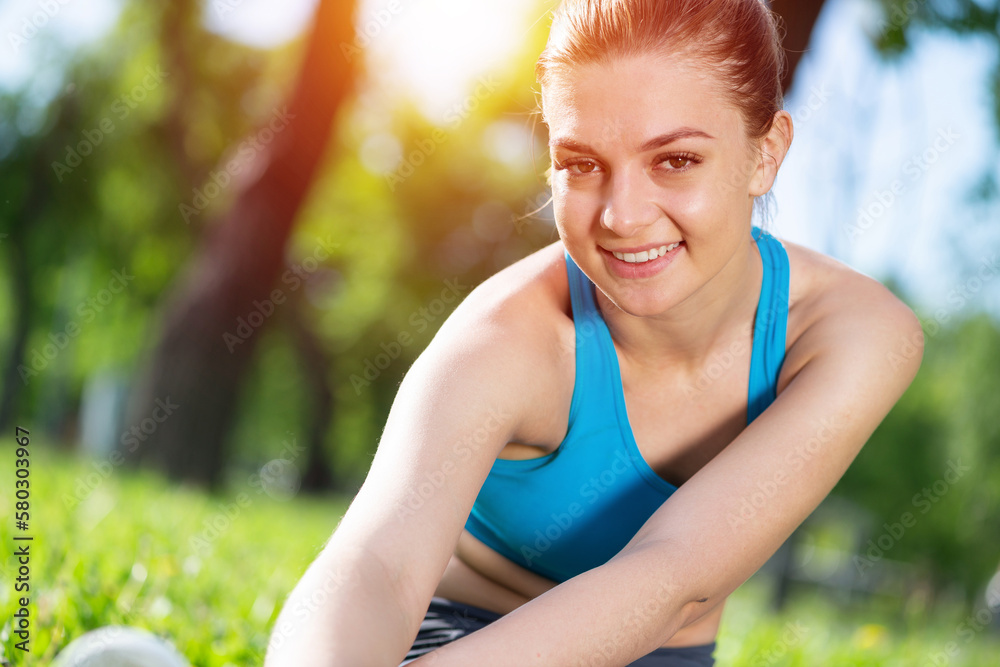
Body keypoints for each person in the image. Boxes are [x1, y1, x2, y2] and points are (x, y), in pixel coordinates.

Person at [264, 0, 924, 665]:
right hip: (461, 637)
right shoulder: (506, 338)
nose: (623, 216)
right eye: (581, 164)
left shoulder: (853, 334)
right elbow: (378, 562)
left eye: (675, 161)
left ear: (765, 153)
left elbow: (672, 575)